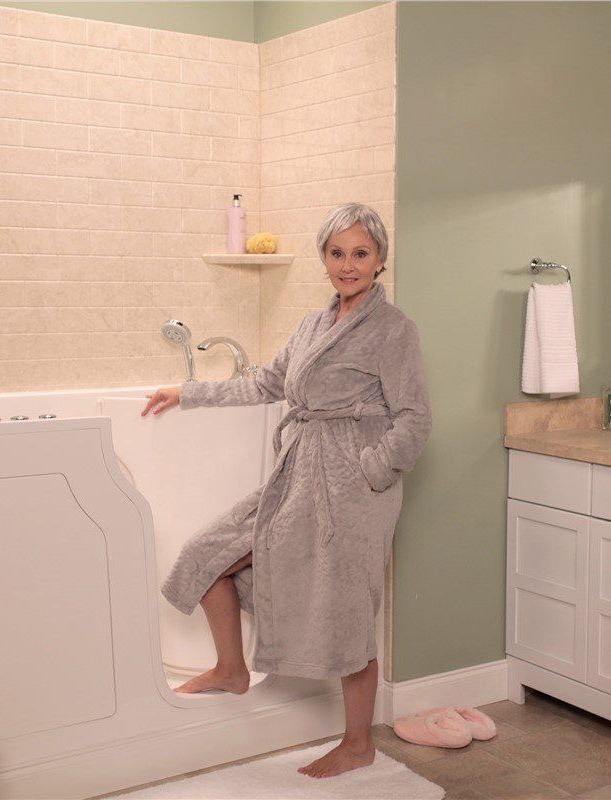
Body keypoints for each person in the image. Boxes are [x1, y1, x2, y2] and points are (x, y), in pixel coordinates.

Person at [141, 202, 431, 779]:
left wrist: (367, 473)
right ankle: (231, 669)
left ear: (380, 260)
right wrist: (188, 393)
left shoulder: (394, 330)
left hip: (352, 487)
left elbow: (415, 420)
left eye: (361, 253)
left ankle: (357, 743)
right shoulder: (311, 324)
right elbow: (268, 381)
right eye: (337, 253)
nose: (348, 265)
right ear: (324, 259)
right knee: (208, 552)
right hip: (297, 473)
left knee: (349, 608)